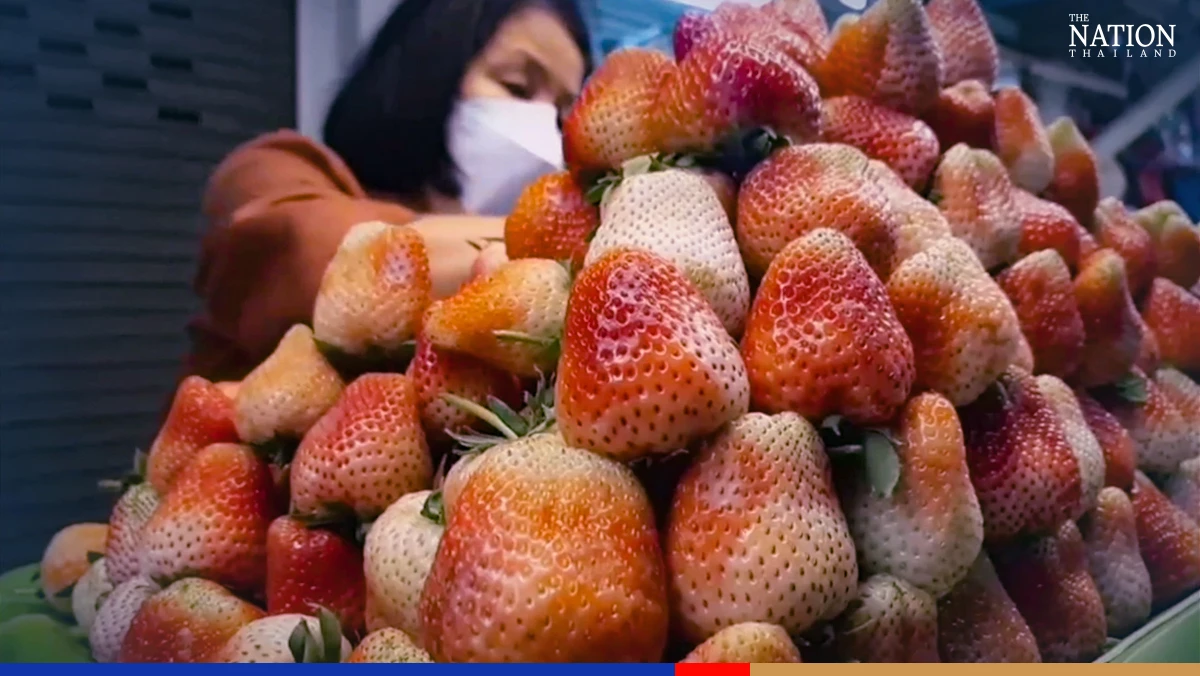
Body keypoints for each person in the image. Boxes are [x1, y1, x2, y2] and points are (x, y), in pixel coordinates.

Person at [186, 0, 591, 381]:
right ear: (428, 70)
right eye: (517, 87)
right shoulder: (270, 171)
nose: (541, 127)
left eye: (560, 113)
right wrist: (586, 239)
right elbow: (328, 263)